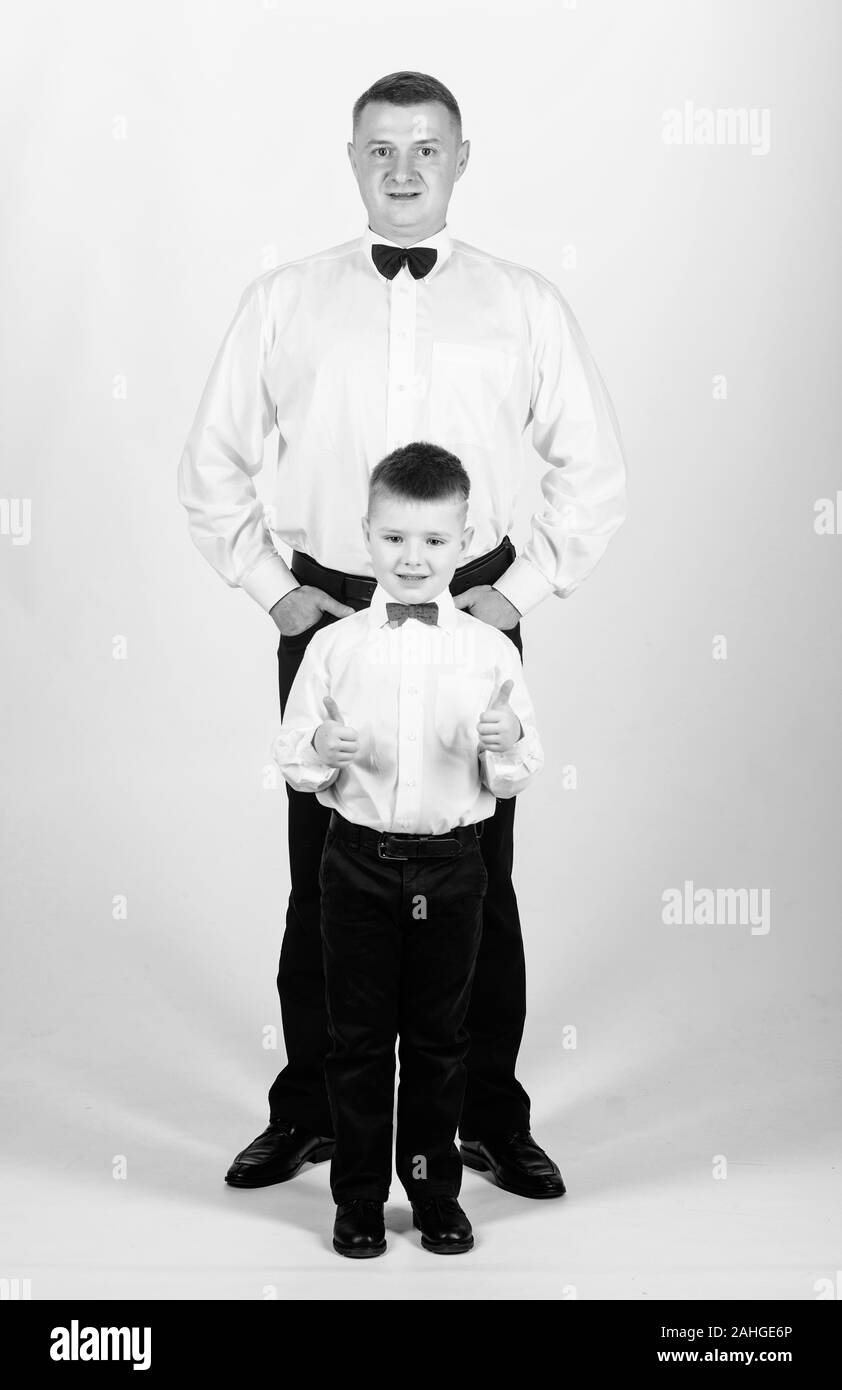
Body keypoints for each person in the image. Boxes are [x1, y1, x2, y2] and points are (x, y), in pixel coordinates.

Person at [177, 70, 627, 1199]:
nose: (404, 170)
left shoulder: (522, 302)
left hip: (474, 608)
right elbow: (210, 466)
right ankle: (317, 1113)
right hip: (329, 607)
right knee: (321, 876)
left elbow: (593, 472)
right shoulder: (284, 299)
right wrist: (276, 592)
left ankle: (483, 1113)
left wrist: (515, 594)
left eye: (426, 149)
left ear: (462, 159)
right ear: (351, 159)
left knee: (480, 876)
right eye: (381, 149)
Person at [272, 443, 543, 1256]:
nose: (413, 558)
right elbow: (292, 757)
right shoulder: (334, 647)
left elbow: (522, 769)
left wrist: (506, 741)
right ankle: (356, 1200)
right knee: (355, 1042)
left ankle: (433, 1197)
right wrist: (321, 741)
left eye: (433, 541)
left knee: (438, 1042)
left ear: (464, 542)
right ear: (366, 536)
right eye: (394, 540)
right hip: (354, 861)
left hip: (456, 867)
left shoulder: (490, 651)